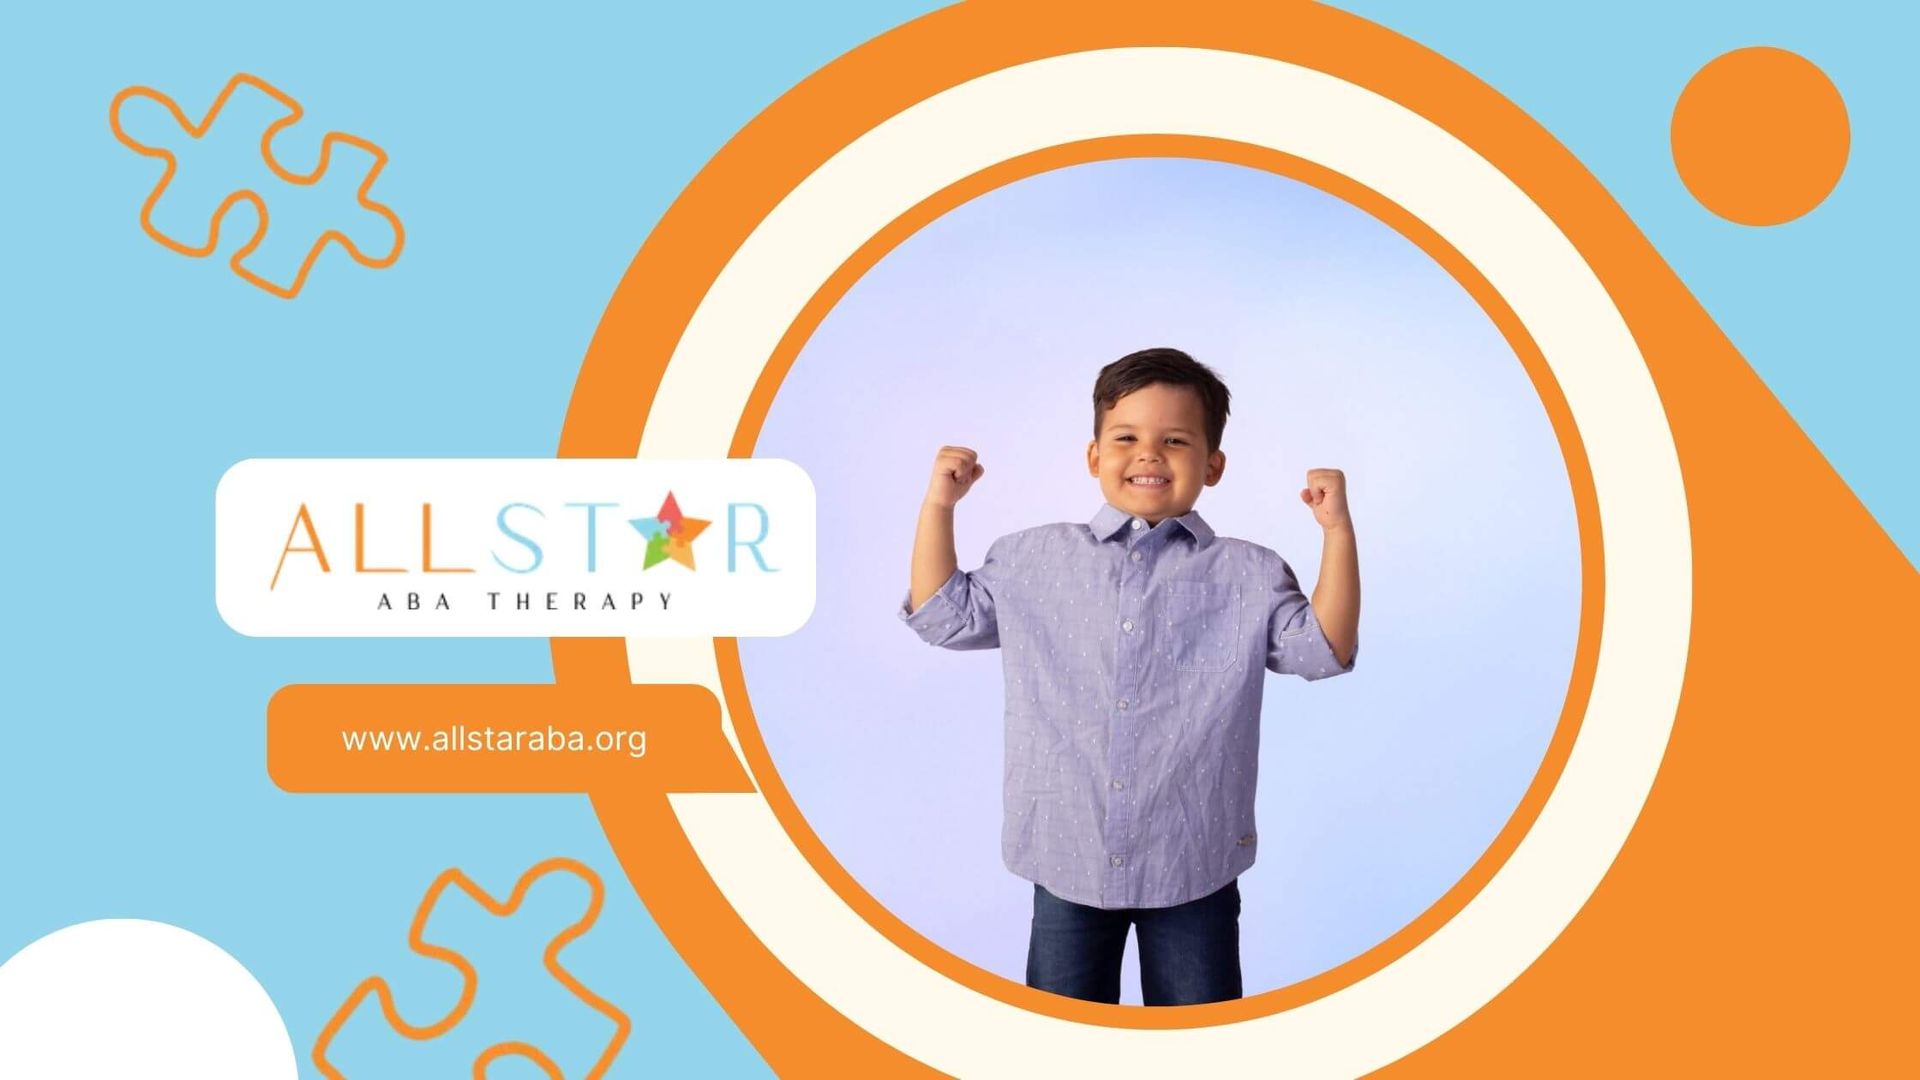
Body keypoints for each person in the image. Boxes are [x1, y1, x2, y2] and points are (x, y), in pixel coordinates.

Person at [899, 346, 1360, 1006]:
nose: (1149, 454)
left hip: (1194, 862)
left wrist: (1336, 528)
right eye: (1126, 438)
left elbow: (1324, 651)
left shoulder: (1249, 573)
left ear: (1213, 464)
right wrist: (938, 507)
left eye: (1174, 440)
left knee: (1199, 1048)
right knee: (1062, 1046)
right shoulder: (1034, 559)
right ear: (1094, 457)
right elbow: (943, 616)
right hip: (1067, 857)